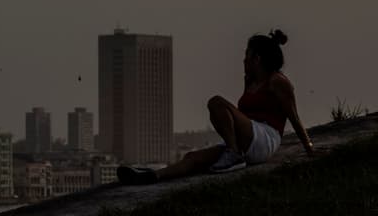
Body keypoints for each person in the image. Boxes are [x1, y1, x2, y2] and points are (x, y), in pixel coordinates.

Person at [117, 30, 315, 185]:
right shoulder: (251, 81)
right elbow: (243, 114)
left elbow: (294, 117)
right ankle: (150, 176)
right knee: (193, 158)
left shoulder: (278, 81)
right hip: (248, 137)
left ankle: (234, 154)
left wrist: (309, 148)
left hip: (265, 137)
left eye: (247, 55)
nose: (244, 59)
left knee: (216, 103)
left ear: (257, 59)